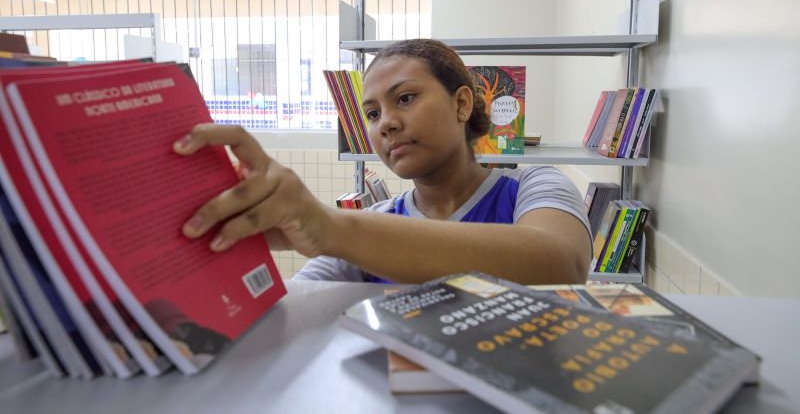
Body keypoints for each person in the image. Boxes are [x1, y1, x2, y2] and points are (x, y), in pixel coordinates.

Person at [173, 39, 591, 285]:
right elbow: (299, 303)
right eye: (372, 114)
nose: (386, 123)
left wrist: (328, 224)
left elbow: (561, 264)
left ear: (462, 104)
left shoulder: (534, 187)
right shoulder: (371, 225)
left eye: (405, 98)